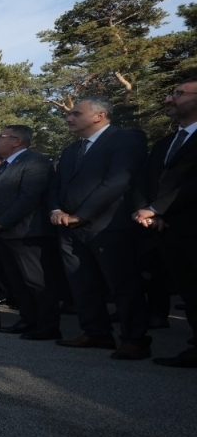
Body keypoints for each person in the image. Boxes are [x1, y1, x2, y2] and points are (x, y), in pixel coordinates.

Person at [48, 98, 151, 359]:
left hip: (109, 226)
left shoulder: (126, 140)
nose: (69, 118)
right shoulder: (72, 149)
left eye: (75, 113)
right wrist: (57, 210)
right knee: (82, 284)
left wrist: (81, 215)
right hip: (69, 228)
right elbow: (57, 185)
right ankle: (96, 333)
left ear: (99, 116)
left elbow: (117, 181)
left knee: (122, 285)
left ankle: (134, 339)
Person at [135, 78, 197, 367]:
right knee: (188, 289)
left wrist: (158, 208)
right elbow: (146, 180)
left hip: (190, 223)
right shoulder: (164, 144)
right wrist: (146, 209)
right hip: (166, 230)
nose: (169, 100)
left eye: (179, 94)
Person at [0, 125, 61, 341]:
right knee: (16, 280)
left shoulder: (35, 162)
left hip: (27, 232)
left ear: (16, 141)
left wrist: (1, 222)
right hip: (2, 233)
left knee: (36, 281)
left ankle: (47, 325)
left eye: (0, 136)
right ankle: (28, 319)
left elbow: (29, 198)